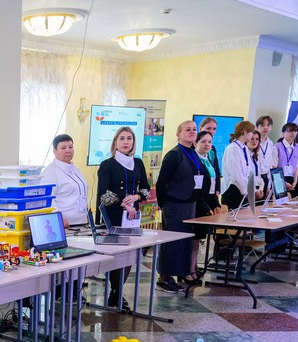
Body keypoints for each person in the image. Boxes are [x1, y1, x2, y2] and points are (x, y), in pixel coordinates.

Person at [96, 126, 150, 310]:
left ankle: (117, 292)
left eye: (129, 138)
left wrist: (136, 197)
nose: (126, 142)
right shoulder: (107, 164)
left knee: (129, 254)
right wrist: (123, 203)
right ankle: (115, 291)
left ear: (134, 142)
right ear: (115, 142)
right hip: (113, 214)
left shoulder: (138, 162)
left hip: (132, 215)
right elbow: (103, 194)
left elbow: (145, 188)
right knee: (116, 255)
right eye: (122, 138)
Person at [154, 121, 200, 292]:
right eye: (187, 130)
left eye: (194, 129)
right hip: (174, 205)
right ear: (178, 134)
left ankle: (180, 272)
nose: (192, 132)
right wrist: (162, 204)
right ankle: (164, 277)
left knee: (184, 242)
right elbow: (161, 182)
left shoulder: (192, 152)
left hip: (189, 204)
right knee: (172, 242)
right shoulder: (174, 155)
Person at [191, 131, 225, 276]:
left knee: (198, 239)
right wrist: (205, 207)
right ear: (195, 143)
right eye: (203, 141)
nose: (207, 144)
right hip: (197, 205)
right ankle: (189, 270)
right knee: (193, 239)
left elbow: (213, 184)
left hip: (208, 203)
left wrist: (216, 203)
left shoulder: (208, 160)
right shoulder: (195, 161)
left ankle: (193, 267)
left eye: (209, 142)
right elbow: (196, 189)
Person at [40, 134, 89, 227]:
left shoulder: (75, 170)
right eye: (63, 148)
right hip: (64, 224)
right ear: (54, 151)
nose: (68, 150)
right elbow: (46, 198)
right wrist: (58, 218)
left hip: (82, 223)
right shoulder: (50, 172)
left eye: (70, 147)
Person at [221, 120, 257, 210]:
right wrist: (245, 192)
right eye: (251, 132)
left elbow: (248, 171)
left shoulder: (244, 148)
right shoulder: (232, 148)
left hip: (244, 190)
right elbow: (236, 175)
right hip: (233, 190)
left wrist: (252, 190)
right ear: (245, 132)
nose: (252, 135)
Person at [275, 123, 298, 197]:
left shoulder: (297, 147)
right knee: (281, 201)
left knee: (293, 201)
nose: (293, 133)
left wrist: (295, 181)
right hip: (279, 179)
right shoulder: (277, 147)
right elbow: (274, 168)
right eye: (289, 131)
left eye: (295, 131)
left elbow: (297, 166)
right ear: (283, 133)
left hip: (292, 178)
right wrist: (283, 182)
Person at [255, 116, 277, 196]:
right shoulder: (253, 142)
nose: (265, 127)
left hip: (267, 177)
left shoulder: (270, 143)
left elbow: (271, 165)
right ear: (257, 127)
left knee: (267, 202)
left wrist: (269, 185)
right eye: (262, 125)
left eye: (268, 125)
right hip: (256, 178)